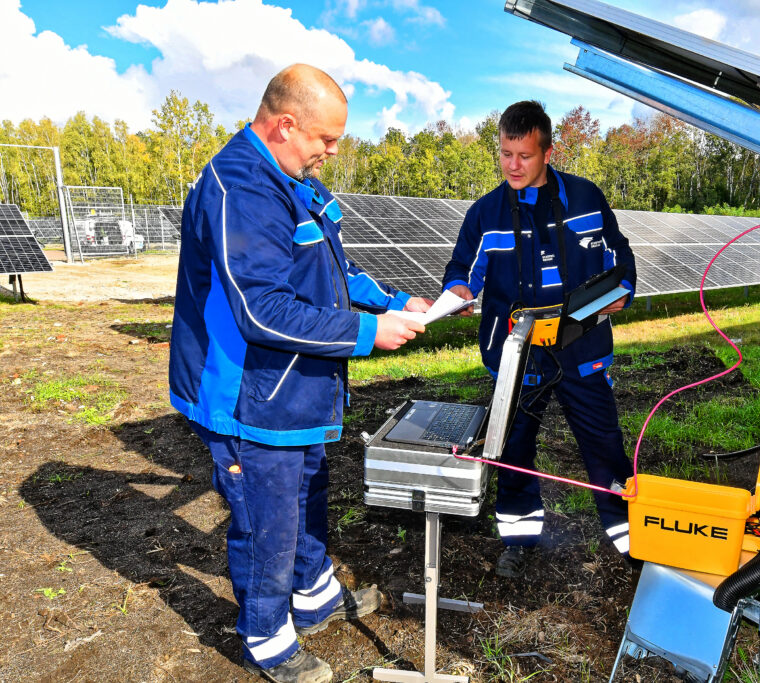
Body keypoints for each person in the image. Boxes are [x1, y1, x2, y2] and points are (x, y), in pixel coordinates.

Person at [168, 64, 430, 683]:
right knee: (268, 518)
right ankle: (266, 636)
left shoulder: (292, 178)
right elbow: (262, 310)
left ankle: (313, 595)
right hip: (248, 392)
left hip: (295, 385)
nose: (331, 152)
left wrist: (396, 302)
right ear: (286, 125)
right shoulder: (240, 188)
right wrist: (368, 333)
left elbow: (330, 270)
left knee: (308, 487)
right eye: (325, 139)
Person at [442, 100, 637, 579]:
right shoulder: (485, 213)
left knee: (605, 446)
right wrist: (459, 290)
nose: (512, 165)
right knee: (512, 450)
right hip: (516, 355)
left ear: (548, 153)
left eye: (524, 156)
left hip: (582, 349)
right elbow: (462, 269)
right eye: (505, 154)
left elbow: (619, 254)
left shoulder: (586, 198)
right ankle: (519, 537)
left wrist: (623, 290)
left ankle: (633, 539)